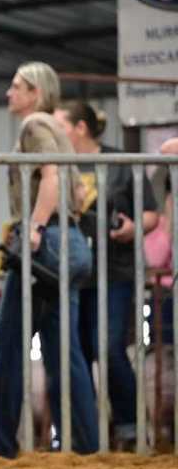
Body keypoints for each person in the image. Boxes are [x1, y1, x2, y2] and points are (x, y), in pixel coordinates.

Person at [0, 62, 99, 457]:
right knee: (64, 351)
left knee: (9, 343)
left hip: (46, 245)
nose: (9, 93)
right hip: (69, 241)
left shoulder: (34, 125)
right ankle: (85, 443)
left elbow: (52, 176)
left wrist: (35, 227)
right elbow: (77, 191)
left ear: (35, 93)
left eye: (17, 86)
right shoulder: (58, 128)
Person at [57, 100, 158, 450]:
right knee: (80, 351)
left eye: (61, 126)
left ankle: (131, 428)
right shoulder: (58, 165)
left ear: (80, 128)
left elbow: (151, 214)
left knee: (110, 347)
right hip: (74, 273)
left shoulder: (120, 163)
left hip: (115, 271)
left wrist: (133, 227)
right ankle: (86, 433)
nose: (57, 133)